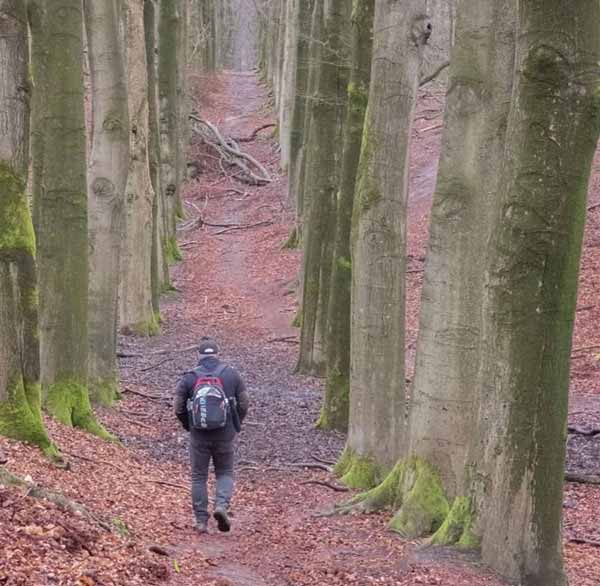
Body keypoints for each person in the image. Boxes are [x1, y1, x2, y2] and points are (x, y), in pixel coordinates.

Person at [174, 337, 249, 533]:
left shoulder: (189, 377)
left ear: (198, 356)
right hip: (225, 434)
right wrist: (235, 423)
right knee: (224, 472)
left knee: (199, 476)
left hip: (199, 435)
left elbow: (178, 407)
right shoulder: (232, 375)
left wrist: (188, 425)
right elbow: (244, 403)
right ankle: (221, 506)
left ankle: (201, 521)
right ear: (218, 355)